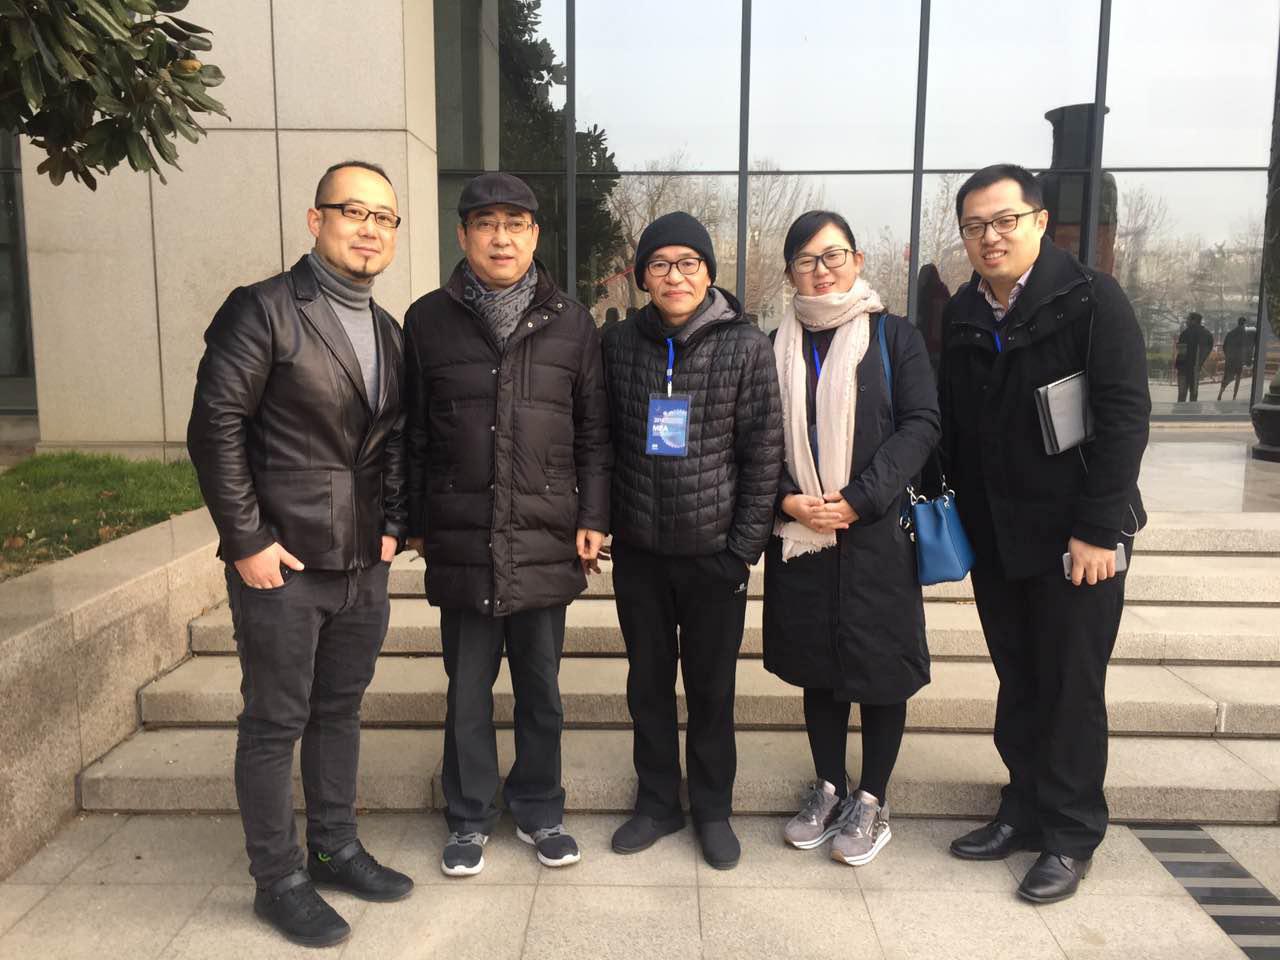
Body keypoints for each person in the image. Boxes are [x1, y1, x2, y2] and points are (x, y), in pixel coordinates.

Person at [187, 160, 414, 948]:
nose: (369, 229)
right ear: (316, 220)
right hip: (282, 563)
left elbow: (393, 441)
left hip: (361, 565)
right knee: (274, 721)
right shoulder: (264, 310)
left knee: (339, 711)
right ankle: (277, 879)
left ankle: (334, 848)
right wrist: (246, 539)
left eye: (383, 217)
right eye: (353, 211)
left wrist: (393, 525)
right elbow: (215, 426)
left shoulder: (389, 332)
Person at [938, 164, 1150, 903]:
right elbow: (956, 424)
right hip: (1000, 537)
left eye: (1004, 221)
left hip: (1076, 541)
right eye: (974, 226)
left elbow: (1124, 418)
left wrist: (1097, 528)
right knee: (1020, 679)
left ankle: (1069, 833)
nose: (989, 237)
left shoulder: (1091, 299)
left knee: (1070, 687)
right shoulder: (965, 311)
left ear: (1039, 222)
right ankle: (1022, 807)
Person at [402, 172, 611, 878]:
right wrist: (413, 517)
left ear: (534, 235)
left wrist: (593, 514)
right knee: (467, 691)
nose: (501, 238)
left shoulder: (572, 323)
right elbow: (412, 433)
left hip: (545, 535)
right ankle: (468, 817)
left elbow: (594, 434)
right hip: (462, 534)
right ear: (463, 235)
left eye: (515, 224)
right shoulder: (428, 320)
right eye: (486, 224)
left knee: (540, 691)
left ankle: (540, 809)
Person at [602, 211, 782, 870]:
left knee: (711, 691)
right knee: (647, 686)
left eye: (688, 263)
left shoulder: (746, 346)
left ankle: (711, 808)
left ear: (708, 273)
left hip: (714, 557)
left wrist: (741, 551)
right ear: (642, 276)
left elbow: (764, 453)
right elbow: (600, 439)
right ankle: (656, 803)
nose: (674, 276)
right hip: (640, 554)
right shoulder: (618, 344)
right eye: (660, 264)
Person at [764, 211, 940, 867]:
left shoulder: (894, 337)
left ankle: (872, 799)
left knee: (881, 673)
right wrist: (787, 497)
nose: (821, 269)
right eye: (806, 259)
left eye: (833, 255)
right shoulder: (774, 345)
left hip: (876, 537)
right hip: (802, 533)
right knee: (818, 669)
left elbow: (921, 425)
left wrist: (860, 499)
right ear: (790, 272)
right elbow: (755, 436)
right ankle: (829, 786)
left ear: (857, 261)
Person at [1176, 312, 1214, 402]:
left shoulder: (1185, 333)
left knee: (1182, 395)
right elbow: (1208, 350)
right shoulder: (1207, 334)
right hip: (1196, 368)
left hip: (1183, 368)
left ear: (1194, 321)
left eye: (1188, 319)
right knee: (1194, 394)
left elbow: (1181, 352)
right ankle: (1192, 410)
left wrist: (1179, 366)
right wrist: (1200, 362)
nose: (1186, 321)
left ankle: (1180, 410)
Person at [1218, 316, 1252, 401]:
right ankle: (1234, 396)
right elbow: (1246, 348)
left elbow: (1224, 346)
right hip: (1239, 360)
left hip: (1230, 359)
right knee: (1238, 378)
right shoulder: (1244, 334)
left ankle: (1220, 394)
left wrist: (1228, 356)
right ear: (1244, 324)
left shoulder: (1230, 333)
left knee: (1226, 378)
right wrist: (1246, 360)